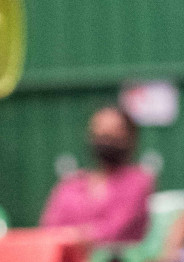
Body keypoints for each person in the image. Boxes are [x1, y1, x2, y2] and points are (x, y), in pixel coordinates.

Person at [41, 105, 152, 245]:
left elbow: (116, 230)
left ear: (130, 137)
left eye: (113, 133)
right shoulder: (71, 185)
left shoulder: (138, 182)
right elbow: (49, 228)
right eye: (101, 133)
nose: (106, 140)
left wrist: (75, 235)